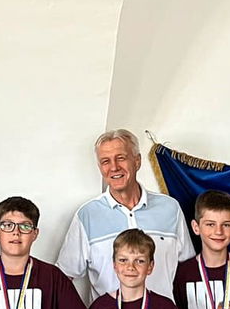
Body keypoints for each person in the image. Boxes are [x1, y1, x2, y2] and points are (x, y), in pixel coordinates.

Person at [59, 128, 194, 299]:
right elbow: (63, 278)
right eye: (105, 161)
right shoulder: (87, 215)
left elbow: (188, 271)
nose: (114, 167)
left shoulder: (170, 209)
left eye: (121, 158)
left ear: (137, 161)